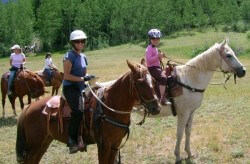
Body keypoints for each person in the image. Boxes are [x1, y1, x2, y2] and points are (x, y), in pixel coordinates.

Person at [62, 30, 94, 154]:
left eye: (82, 41)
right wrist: (82, 79)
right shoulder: (69, 56)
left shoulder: (83, 56)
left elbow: (84, 72)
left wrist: (88, 76)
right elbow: (66, 76)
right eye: (77, 41)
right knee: (78, 111)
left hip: (82, 85)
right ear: (73, 43)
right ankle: (72, 140)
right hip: (71, 87)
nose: (80, 43)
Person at [145, 29, 171, 105]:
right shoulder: (149, 48)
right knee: (163, 78)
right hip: (152, 68)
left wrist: (161, 56)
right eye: (154, 39)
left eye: (157, 39)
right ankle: (161, 98)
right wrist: (158, 56)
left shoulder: (155, 48)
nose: (156, 40)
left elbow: (156, 59)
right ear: (150, 39)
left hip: (156, 67)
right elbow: (149, 60)